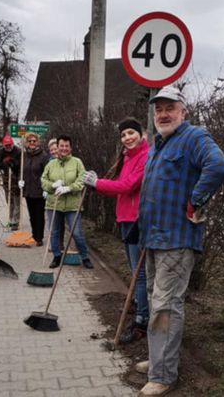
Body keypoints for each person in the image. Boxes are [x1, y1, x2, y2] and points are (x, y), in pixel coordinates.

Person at [135, 86, 224, 396]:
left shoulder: (193, 138)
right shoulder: (159, 144)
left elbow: (219, 166)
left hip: (177, 238)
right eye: (158, 109)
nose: (163, 114)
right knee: (154, 301)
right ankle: (157, 359)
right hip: (154, 237)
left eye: (170, 108)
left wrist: (196, 201)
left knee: (165, 306)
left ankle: (163, 374)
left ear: (183, 111)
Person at [83, 117, 150, 343]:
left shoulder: (145, 157)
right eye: (123, 135)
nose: (127, 138)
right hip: (126, 218)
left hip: (137, 219)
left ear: (141, 134)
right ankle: (140, 306)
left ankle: (142, 320)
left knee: (139, 274)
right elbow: (119, 183)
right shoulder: (127, 157)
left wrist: (97, 184)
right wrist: (96, 181)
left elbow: (128, 186)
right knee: (135, 272)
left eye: (131, 132)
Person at [41, 135, 93, 269]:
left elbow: (81, 180)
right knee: (54, 232)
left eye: (66, 146)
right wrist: (52, 186)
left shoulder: (77, 162)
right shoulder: (51, 164)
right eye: (61, 146)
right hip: (54, 204)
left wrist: (68, 188)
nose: (64, 148)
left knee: (76, 232)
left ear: (70, 147)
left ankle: (85, 256)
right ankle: (57, 256)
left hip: (72, 205)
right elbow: (43, 181)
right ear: (57, 147)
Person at [18, 133, 50, 246]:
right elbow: (21, 171)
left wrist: (46, 187)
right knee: (32, 215)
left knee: (39, 215)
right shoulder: (24, 156)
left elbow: (47, 173)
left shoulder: (43, 156)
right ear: (26, 143)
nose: (32, 143)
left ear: (38, 142)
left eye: (34, 141)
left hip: (39, 190)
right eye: (30, 141)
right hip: (28, 190)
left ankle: (39, 237)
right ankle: (34, 234)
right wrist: (20, 181)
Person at [0, 135, 21, 230]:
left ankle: (16, 221)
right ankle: (11, 219)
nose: (8, 147)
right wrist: (4, 163)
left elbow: (21, 165)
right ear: (3, 145)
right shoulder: (1, 152)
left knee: (16, 201)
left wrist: (13, 162)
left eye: (9, 145)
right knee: (9, 200)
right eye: (6, 145)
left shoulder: (18, 151)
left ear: (12, 144)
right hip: (7, 179)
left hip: (17, 178)